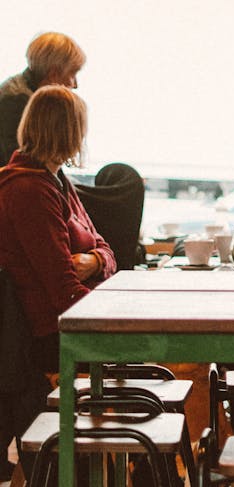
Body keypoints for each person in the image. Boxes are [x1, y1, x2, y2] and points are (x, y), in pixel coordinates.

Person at [0, 85, 115, 478]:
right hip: (51, 337)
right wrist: (112, 320)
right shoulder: (29, 189)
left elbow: (106, 249)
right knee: (163, 367)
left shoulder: (56, 179)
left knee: (157, 368)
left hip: (67, 326)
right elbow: (63, 292)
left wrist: (96, 259)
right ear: (67, 133)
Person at [0, 32, 85, 166]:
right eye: (72, 74)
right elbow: (24, 169)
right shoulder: (17, 101)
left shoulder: (18, 92)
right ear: (53, 74)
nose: (75, 84)